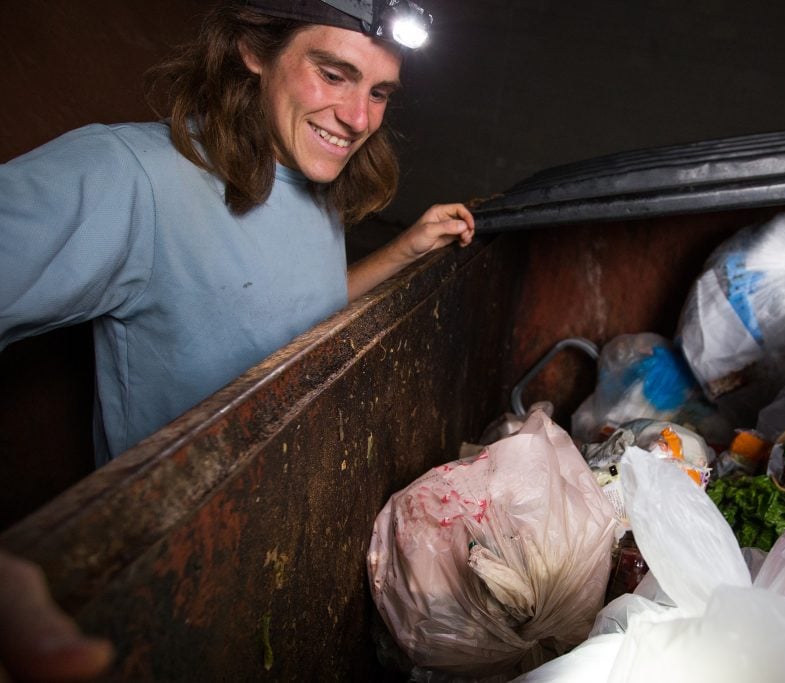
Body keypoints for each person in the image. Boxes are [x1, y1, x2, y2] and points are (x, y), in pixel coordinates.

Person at [0, 0, 472, 677]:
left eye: (378, 92)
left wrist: (404, 249)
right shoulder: (131, 177)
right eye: (333, 75)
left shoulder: (312, 180)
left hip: (273, 573)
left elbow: (292, 309)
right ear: (255, 50)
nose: (359, 118)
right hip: (172, 603)